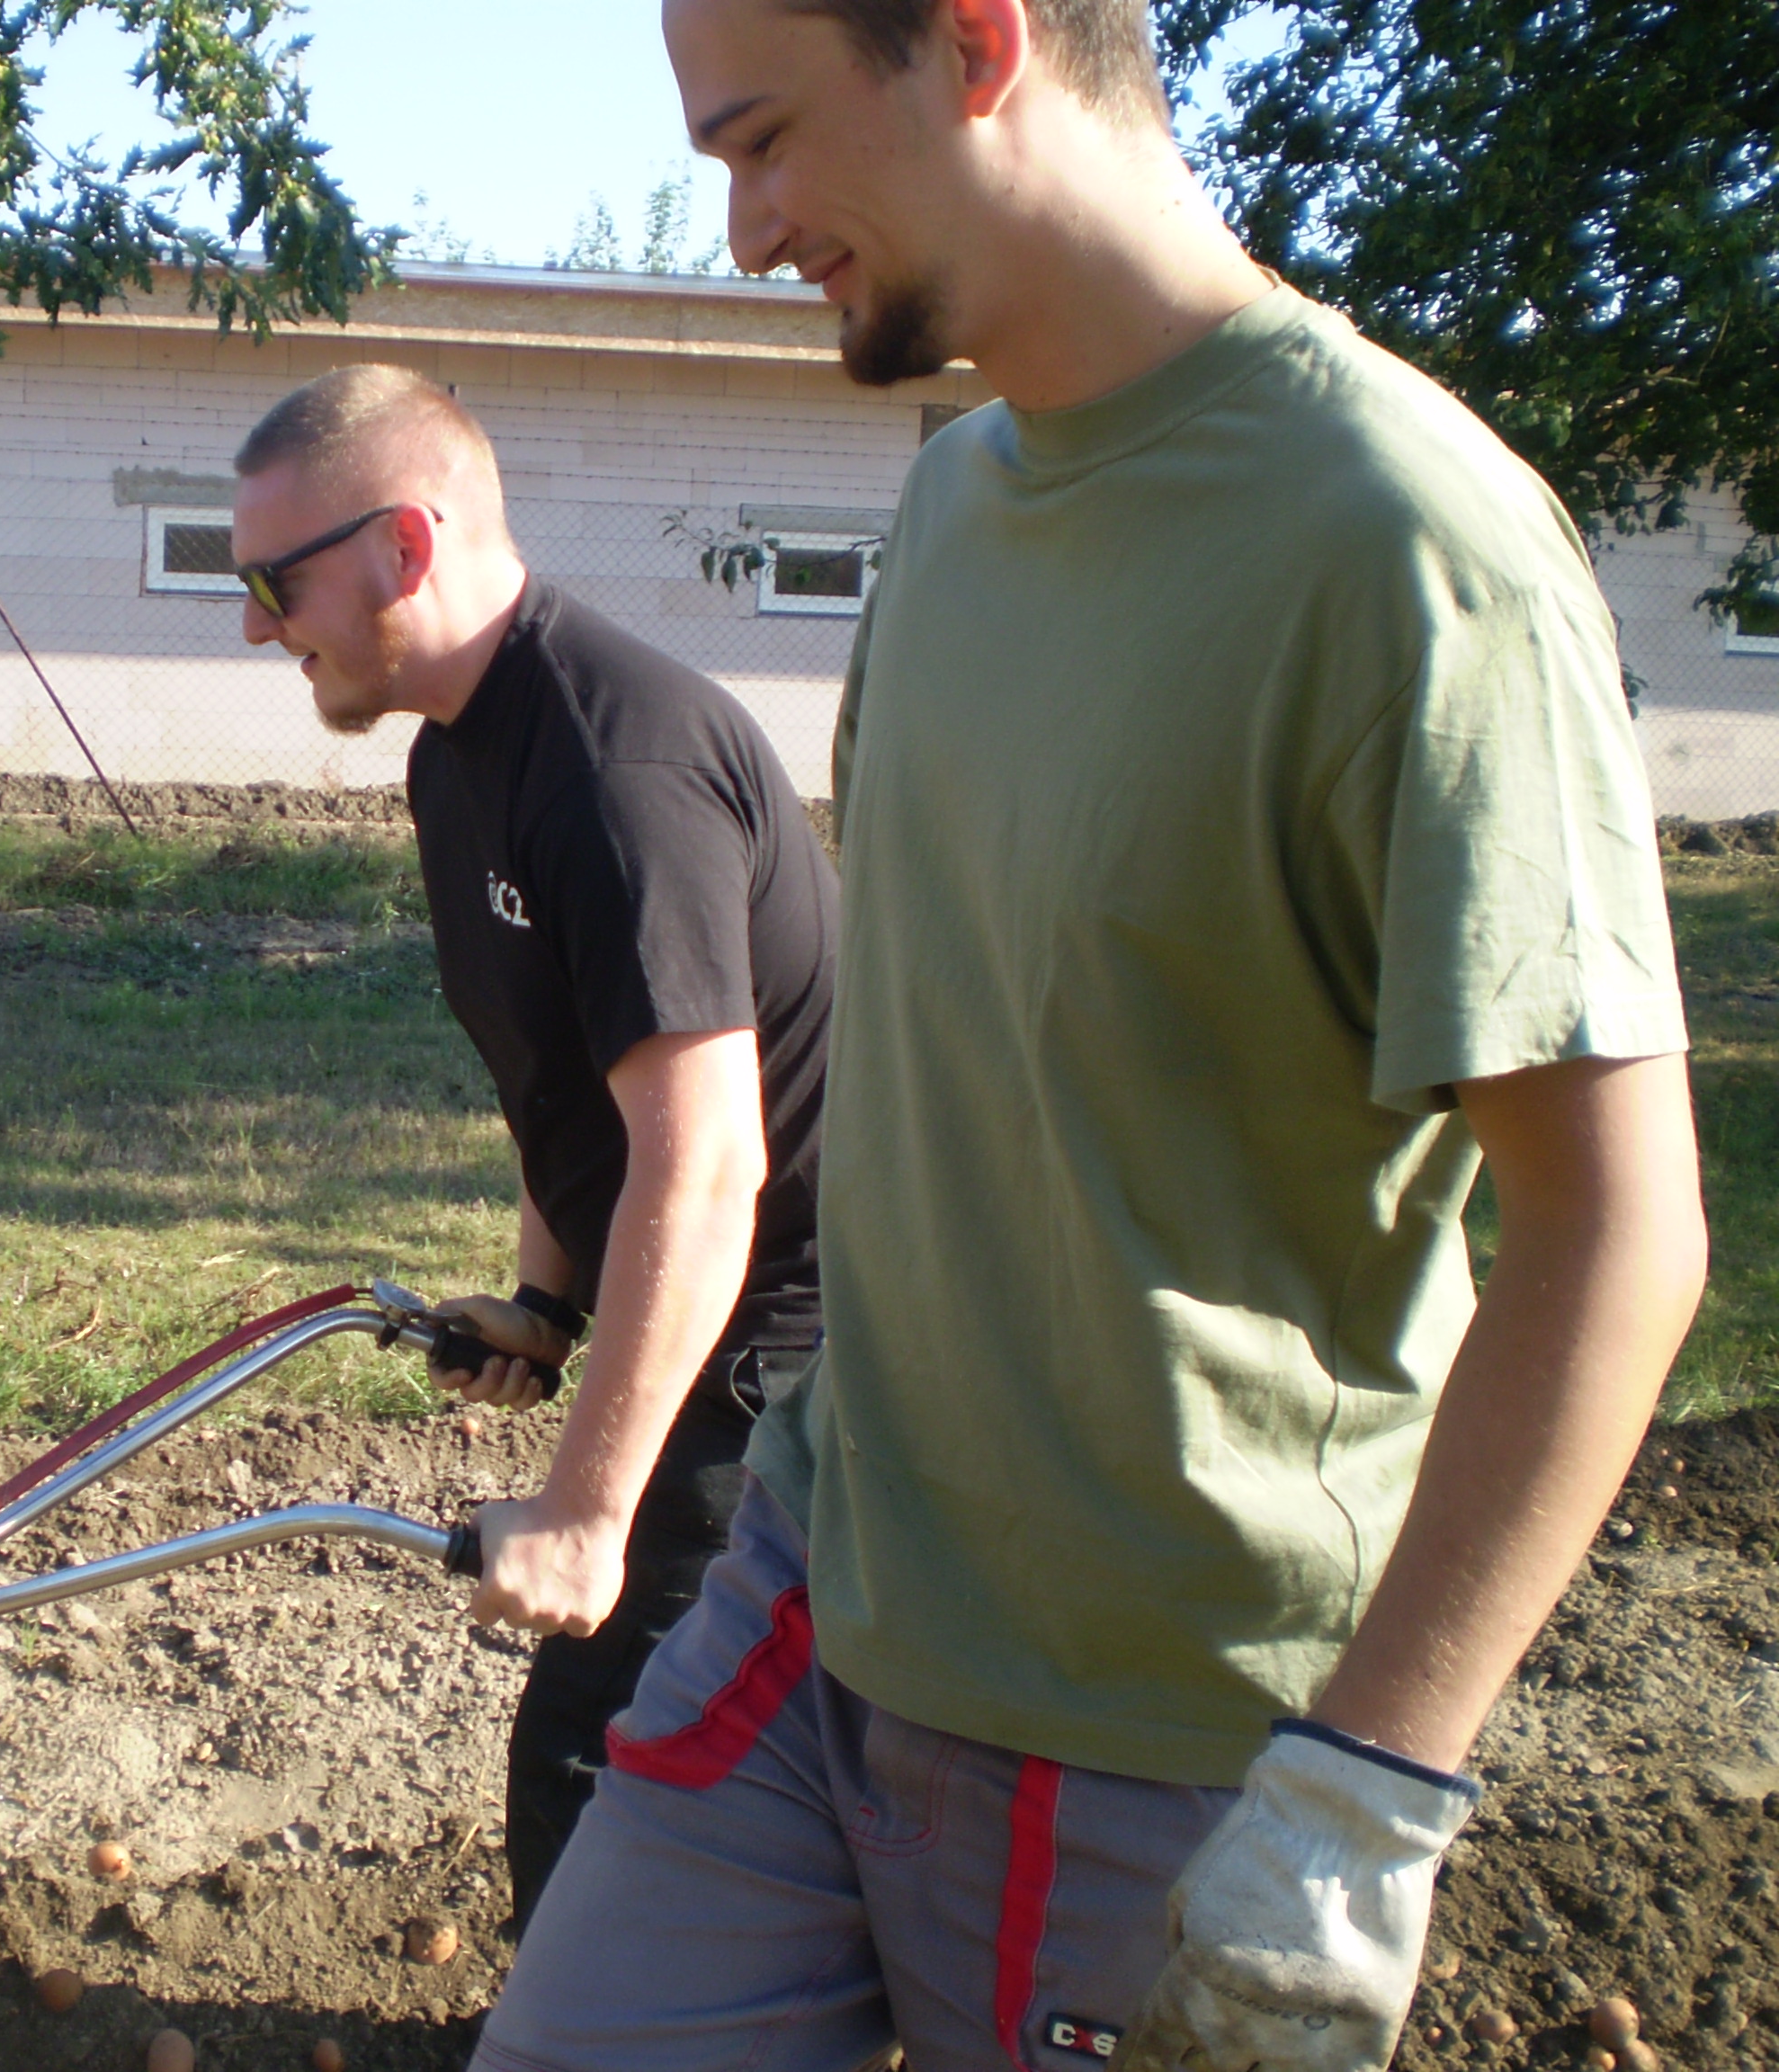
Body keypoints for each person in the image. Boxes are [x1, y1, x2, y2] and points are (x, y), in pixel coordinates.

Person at [470, 1, 1709, 2068]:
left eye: (761, 141)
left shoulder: (1405, 551)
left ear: (970, 42)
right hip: (815, 1589)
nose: (743, 229)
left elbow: (1616, 1233)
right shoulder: (950, 505)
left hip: (1142, 1729)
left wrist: (1359, 1802)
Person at [228, 365, 837, 1933]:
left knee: (599, 1754)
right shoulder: (456, 759)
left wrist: (586, 1507)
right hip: (698, 1302)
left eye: (272, 581)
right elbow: (558, 1076)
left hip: (809, 1345)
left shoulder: (614, 765)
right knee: (645, 1762)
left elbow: (705, 1163)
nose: (252, 624)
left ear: (403, 548)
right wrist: (544, 1302)